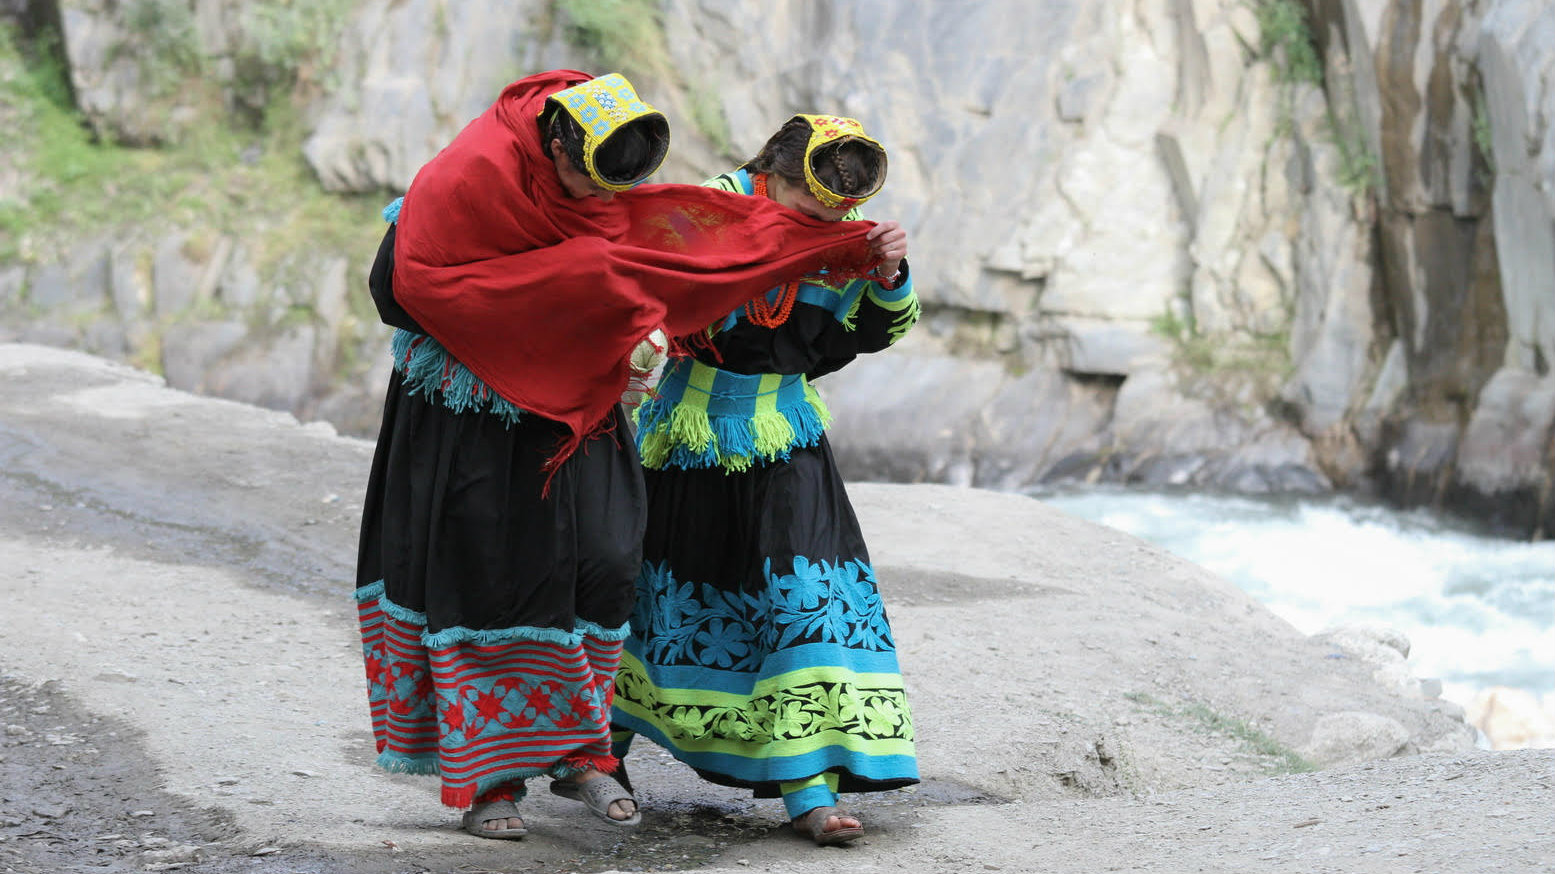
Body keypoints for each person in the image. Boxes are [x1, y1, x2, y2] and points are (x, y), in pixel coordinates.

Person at [354, 74, 885, 841]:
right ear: (555, 142)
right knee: (490, 578)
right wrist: (525, 305)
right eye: (584, 177)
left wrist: (602, 315)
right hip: (471, 413)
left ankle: (579, 753)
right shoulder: (464, 183)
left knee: (604, 564)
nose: (594, 197)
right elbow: (395, 291)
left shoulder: (590, 193)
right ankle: (491, 785)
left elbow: (659, 263)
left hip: (579, 400)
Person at [610, 114, 921, 846]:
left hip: (785, 438)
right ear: (772, 176)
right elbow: (630, 288)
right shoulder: (700, 217)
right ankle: (599, 755)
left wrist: (888, 273)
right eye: (808, 213)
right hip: (682, 441)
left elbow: (881, 331)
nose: (824, 226)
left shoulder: (843, 239)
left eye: (836, 216)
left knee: (803, 601)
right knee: (650, 597)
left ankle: (808, 790)